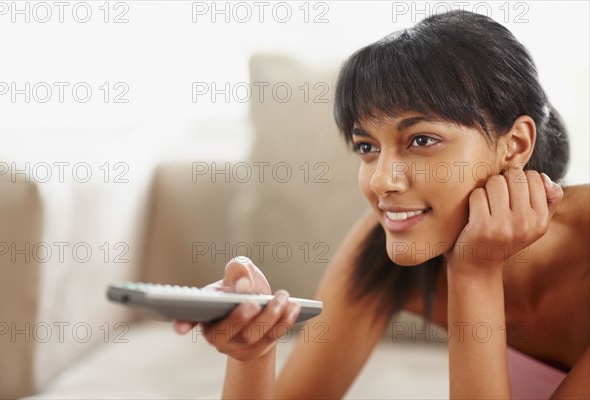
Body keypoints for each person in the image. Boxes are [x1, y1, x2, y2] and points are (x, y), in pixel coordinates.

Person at [174, 10, 589, 399]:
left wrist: (474, 271)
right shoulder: (392, 238)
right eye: (367, 147)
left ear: (515, 145)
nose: (381, 181)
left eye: (421, 140)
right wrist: (252, 354)